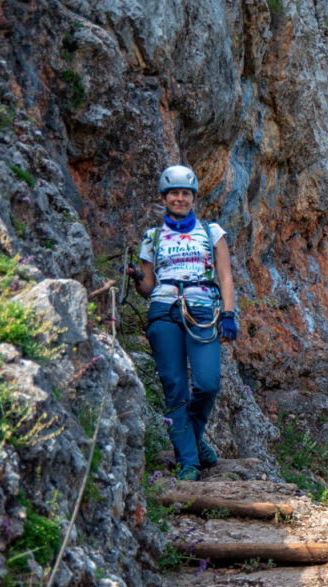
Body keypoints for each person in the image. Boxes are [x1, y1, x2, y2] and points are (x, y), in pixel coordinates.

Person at [126, 165, 237, 481]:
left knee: (207, 383)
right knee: (174, 387)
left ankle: (193, 438)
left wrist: (229, 314)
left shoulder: (211, 232)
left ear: (193, 197)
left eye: (185, 193)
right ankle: (188, 460)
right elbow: (147, 287)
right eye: (173, 193)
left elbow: (225, 275)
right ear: (165, 197)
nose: (179, 198)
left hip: (202, 310)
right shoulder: (153, 237)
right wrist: (137, 278)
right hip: (163, 311)